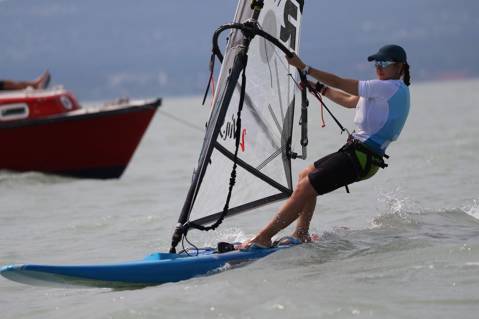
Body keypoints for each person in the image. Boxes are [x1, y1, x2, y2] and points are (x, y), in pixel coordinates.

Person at [240, 44, 411, 249]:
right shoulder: (384, 90)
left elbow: (341, 83)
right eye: (376, 63)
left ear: (399, 67)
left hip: (362, 157)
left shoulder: (390, 87)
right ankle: (301, 233)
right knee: (305, 176)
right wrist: (319, 89)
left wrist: (305, 68)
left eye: (384, 63)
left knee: (306, 187)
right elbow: (349, 100)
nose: (379, 67)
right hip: (356, 153)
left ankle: (263, 237)